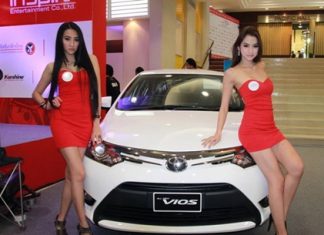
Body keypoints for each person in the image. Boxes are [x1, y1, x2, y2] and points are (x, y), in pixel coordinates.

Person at [201, 26, 304, 235]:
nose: (250, 50)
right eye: (246, 45)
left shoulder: (262, 66)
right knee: (277, 179)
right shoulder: (232, 73)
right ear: (239, 47)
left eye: (255, 46)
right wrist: (218, 132)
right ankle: (282, 231)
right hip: (253, 131)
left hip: (271, 129)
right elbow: (224, 105)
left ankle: (279, 217)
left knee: (297, 168)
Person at [32, 22, 101, 235]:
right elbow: (36, 94)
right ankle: (82, 224)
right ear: (60, 40)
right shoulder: (52, 66)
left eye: (76, 39)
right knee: (79, 173)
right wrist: (48, 103)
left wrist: (96, 123)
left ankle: (60, 219)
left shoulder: (92, 60)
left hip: (84, 122)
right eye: (67, 38)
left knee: (72, 176)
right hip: (61, 121)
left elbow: (96, 94)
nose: (72, 44)